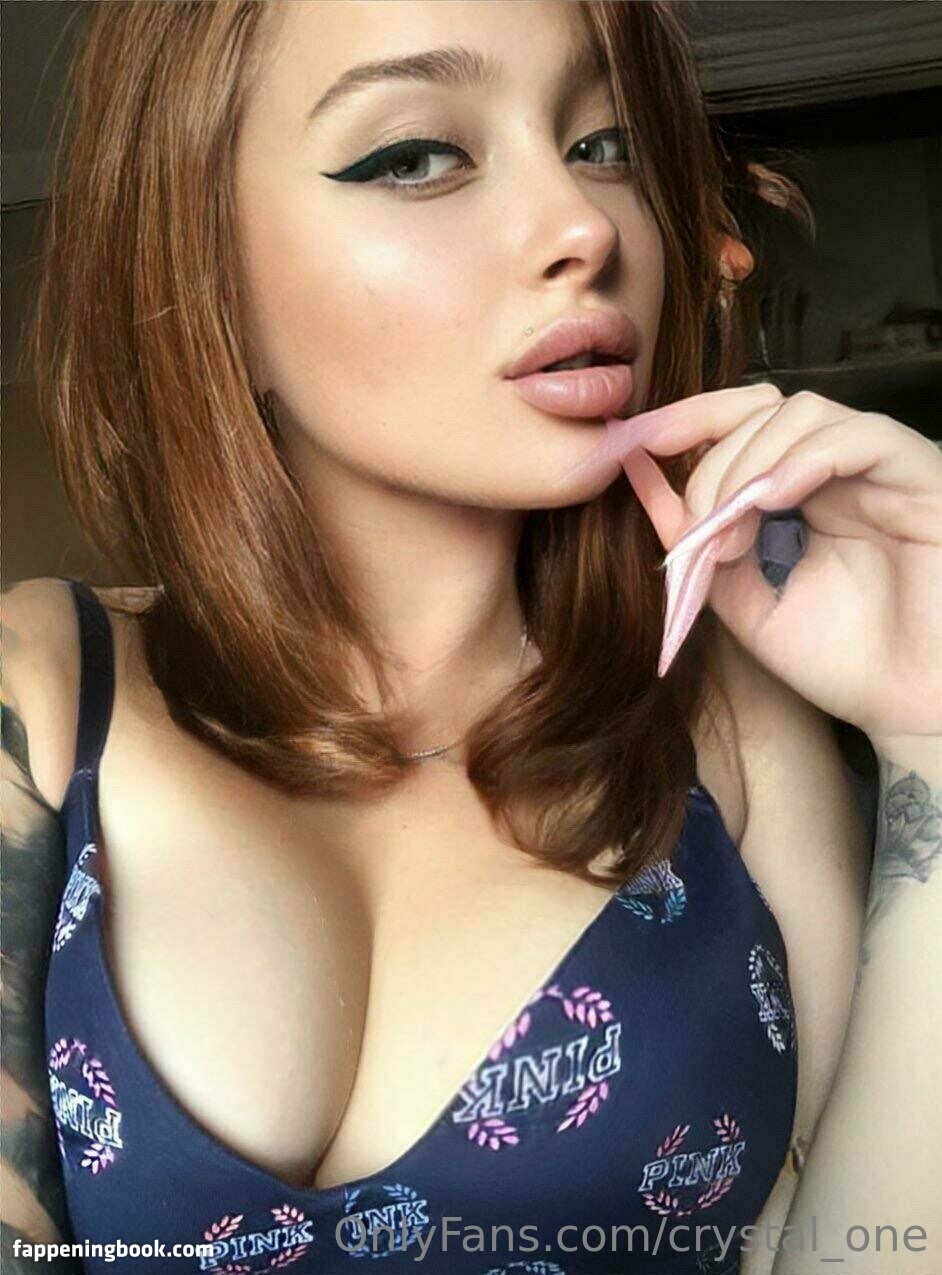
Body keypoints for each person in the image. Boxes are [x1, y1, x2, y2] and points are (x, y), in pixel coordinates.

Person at [2, 2, 939, 1273]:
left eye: (604, 144)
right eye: (413, 156)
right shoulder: (42, 695)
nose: (584, 226)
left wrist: (930, 731)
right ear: (202, 268)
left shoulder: (722, 712)